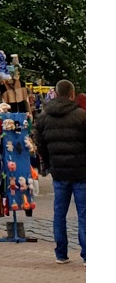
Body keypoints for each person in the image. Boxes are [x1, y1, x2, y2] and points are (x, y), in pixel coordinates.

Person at [35, 79, 86, 263]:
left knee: (59, 213)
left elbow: (40, 144)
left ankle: (61, 253)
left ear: (55, 94)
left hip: (58, 172)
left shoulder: (43, 117)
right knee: (84, 214)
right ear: (72, 94)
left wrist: (49, 164)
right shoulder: (82, 116)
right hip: (81, 172)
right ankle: (87, 254)